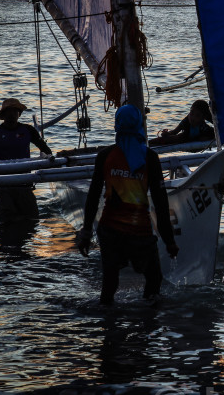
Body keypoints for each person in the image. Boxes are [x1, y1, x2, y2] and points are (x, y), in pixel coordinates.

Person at [76, 105, 178, 306]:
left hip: (109, 231)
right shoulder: (149, 157)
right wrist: (169, 241)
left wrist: (87, 231)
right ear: (140, 124)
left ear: (117, 125)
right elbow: (160, 200)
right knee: (154, 281)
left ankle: (109, 328)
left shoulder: (105, 156)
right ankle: (148, 326)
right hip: (139, 231)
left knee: (110, 284)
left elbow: (93, 195)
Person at [0, 98, 53, 220]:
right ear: (3, 115)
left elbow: (46, 150)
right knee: (5, 221)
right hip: (3, 184)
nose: (12, 114)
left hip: (25, 183)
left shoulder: (28, 130)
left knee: (32, 219)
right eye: (9, 111)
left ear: (19, 114)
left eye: (15, 111)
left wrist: (45, 167)